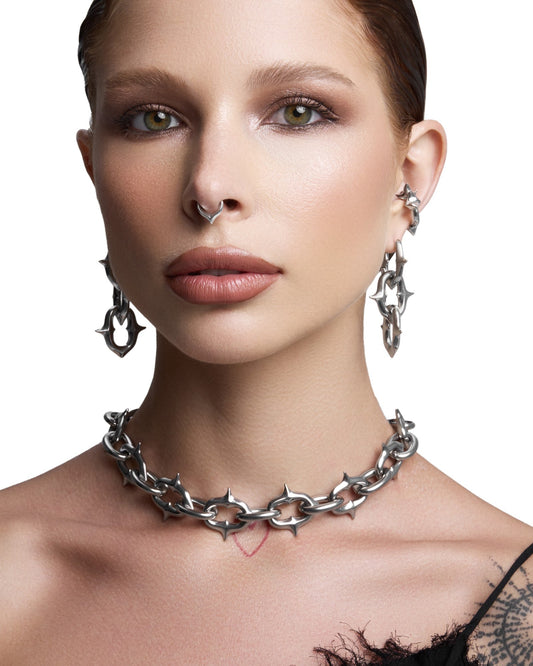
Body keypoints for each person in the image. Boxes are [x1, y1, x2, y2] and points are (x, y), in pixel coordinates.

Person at [1, 1, 532, 664]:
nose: (210, 187)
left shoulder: (517, 610)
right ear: (94, 169)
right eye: (153, 119)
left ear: (407, 179)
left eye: (298, 113)